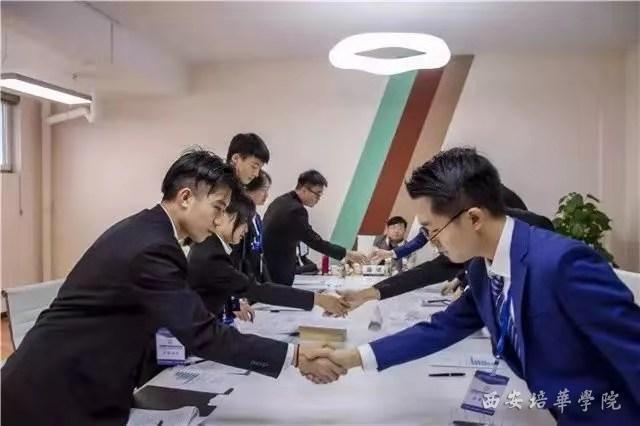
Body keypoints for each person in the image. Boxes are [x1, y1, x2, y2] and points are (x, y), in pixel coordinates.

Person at [1, 149, 344, 425]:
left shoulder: (149, 231)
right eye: (217, 207)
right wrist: (294, 356)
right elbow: (201, 333)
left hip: (82, 382)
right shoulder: (153, 246)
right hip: (53, 392)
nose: (218, 219)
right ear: (185, 197)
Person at [329, 147, 640, 424]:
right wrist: (353, 358)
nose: (432, 241)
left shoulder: (561, 263)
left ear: (474, 218)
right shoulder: (481, 268)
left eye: (432, 230)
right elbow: (441, 328)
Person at [341, 207, 554, 311]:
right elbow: (428, 271)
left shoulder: (548, 250)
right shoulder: (473, 263)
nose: (433, 242)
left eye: (435, 231)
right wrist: (369, 293)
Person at [188, 190, 350, 317]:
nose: (246, 229)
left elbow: (212, 292)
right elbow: (256, 289)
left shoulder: (212, 247)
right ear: (221, 216)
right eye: (243, 222)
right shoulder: (211, 254)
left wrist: (231, 303)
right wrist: (318, 299)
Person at [263, 169, 367, 285]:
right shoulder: (295, 210)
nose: (318, 198)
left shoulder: (280, 201)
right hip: (279, 272)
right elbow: (314, 241)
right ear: (304, 190)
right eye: (317, 193)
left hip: (269, 268)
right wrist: (347, 253)